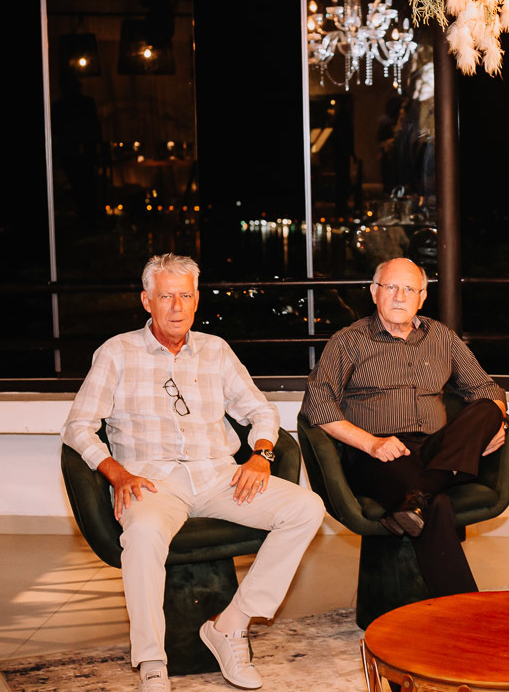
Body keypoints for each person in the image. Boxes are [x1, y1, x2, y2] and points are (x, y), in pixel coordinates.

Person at [62, 254, 325, 692]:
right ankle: (151, 662)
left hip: (219, 476)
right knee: (143, 535)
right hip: (153, 483)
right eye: (166, 296)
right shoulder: (117, 352)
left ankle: (229, 625)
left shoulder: (215, 350)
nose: (177, 307)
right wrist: (117, 474)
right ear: (147, 301)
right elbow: (78, 427)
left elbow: (260, 410)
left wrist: (261, 454)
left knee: (306, 508)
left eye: (185, 296)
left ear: (197, 299)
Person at [301, 257, 507, 597]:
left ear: (422, 297)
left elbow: (487, 389)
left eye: (409, 289)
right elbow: (317, 405)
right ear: (374, 292)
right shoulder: (348, 341)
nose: (400, 296)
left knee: (487, 409)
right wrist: (371, 443)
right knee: (437, 505)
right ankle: (465, 610)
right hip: (378, 455)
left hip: (436, 448)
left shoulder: (441, 337)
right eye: (391, 287)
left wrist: (493, 424)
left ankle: (417, 497)